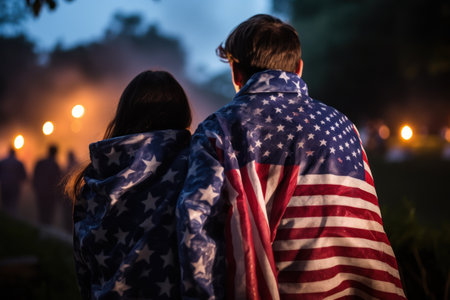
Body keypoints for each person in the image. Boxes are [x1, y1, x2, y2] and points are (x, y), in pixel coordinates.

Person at [176, 14, 406, 299]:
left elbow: (195, 225)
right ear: (299, 69)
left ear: (236, 74)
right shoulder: (345, 126)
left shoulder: (219, 130)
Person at [65, 70, 192, 299]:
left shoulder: (94, 180)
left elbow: (83, 270)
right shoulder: (194, 170)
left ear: (124, 114)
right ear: (183, 115)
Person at [33, 144, 62, 225]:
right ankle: (46, 232)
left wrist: (36, 188)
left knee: (41, 212)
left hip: (41, 191)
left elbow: (35, 177)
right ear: (56, 153)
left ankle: (40, 230)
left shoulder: (40, 162)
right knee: (49, 214)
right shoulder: (56, 165)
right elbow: (58, 181)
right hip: (50, 194)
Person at [0, 147, 27, 215]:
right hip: (15, 186)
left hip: (4, 184)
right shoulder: (19, 163)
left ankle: (5, 216)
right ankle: (12, 216)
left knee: (5, 202)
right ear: (15, 153)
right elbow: (24, 176)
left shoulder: (3, 161)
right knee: (13, 203)